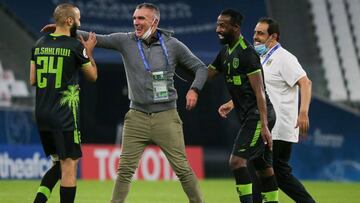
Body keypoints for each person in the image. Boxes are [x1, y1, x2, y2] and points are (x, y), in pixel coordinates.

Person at [44, 2, 207, 203]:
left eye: (141, 19)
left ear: (154, 22)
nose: (136, 23)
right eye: (134, 19)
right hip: (136, 116)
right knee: (124, 171)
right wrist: (65, 30)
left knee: (182, 169)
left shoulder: (173, 45)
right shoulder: (125, 41)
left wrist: (194, 89)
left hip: (166, 116)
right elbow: (97, 39)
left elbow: (201, 68)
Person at [208, 9, 279, 203]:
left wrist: (264, 124)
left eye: (222, 25)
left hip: (258, 116)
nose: (218, 29)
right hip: (251, 116)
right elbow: (205, 75)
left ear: (236, 28)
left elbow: (260, 92)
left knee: (237, 161)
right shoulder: (224, 53)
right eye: (217, 25)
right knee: (263, 168)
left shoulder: (247, 54)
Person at [30, 3, 97, 203]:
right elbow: (93, 76)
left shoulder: (39, 44)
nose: (79, 23)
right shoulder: (75, 47)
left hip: (42, 113)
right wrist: (89, 52)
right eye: (78, 19)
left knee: (59, 164)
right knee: (69, 165)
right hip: (64, 115)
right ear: (69, 21)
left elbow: (32, 80)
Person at [253, 17, 315, 203]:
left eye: (261, 33)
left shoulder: (285, 58)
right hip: (270, 125)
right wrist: (232, 103)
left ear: (273, 37)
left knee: (258, 170)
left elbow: (306, 82)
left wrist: (303, 112)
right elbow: (263, 89)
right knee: (279, 174)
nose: (255, 37)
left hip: (277, 127)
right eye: (255, 32)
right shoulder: (263, 58)